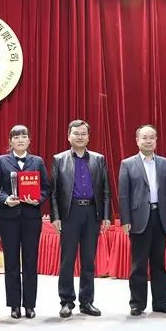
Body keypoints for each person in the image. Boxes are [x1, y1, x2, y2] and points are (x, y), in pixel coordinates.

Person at [50, 120, 111, 318]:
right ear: (69, 136)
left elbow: (106, 190)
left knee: (88, 260)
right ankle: (66, 301)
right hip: (70, 213)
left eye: (84, 133)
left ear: (88, 137)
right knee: (67, 260)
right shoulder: (59, 160)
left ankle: (87, 302)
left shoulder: (98, 159)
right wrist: (56, 216)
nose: (80, 137)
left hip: (92, 213)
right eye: (76, 133)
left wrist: (106, 216)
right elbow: (54, 192)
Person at [0, 125, 50, 319]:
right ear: (10, 141)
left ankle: (30, 305)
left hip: (31, 218)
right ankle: (14, 305)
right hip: (8, 218)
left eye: (24, 136)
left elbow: (46, 188)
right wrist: (6, 199)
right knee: (12, 261)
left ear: (29, 140)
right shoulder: (2, 161)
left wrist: (38, 199)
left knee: (30, 261)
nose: (20, 139)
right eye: (16, 137)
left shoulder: (37, 161)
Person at [118, 125, 166, 315]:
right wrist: (125, 219)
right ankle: (137, 303)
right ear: (137, 140)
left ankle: (161, 303)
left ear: (156, 140)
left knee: (159, 263)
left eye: (152, 137)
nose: (148, 141)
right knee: (139, 264)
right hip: (138, 219)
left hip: (160, 217)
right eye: (144, 137)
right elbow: (124, 195)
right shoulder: (128, 164)